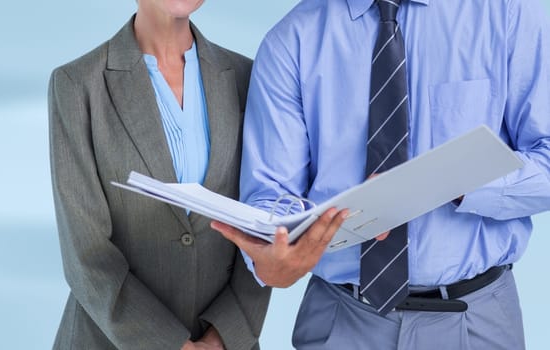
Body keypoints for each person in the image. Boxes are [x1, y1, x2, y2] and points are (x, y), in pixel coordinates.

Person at [212, 0, 550, 348]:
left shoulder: (508, 12)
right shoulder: (292, 40)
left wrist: (449, 183)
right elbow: (273, 197)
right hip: (342, 321)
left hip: (476, 322)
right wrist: (274, 253)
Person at [48, 1, 350, 348]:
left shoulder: (247, 76)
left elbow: (265, 222)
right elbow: (87, 256)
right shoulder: (77, 85)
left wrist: (222, 337)